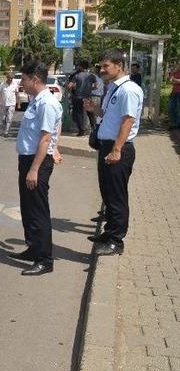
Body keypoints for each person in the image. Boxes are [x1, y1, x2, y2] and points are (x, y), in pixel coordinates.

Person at [84, 49, 144, 256]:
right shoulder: (113, 89)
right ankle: (109, 233)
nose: (101, 70)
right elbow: (110, 115)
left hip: (119, 148)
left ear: (119, 66)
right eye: (101, 66)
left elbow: (128, 120)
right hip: (107, 146)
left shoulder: (129, 90)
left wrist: (117, 149)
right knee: (107, 192)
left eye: (105, 66)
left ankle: (116, 241)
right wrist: (94, 109)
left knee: (117, 196)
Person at [9, 61, 63, 276]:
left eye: (24, 78)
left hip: (36, 162)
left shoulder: (47, 103)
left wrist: (34, 169)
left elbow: (45, 137)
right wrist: (55, 146)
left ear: (35, 79)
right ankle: (33, 249)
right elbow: (54, 130)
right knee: (28, 209)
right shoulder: (36, 101)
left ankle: (44, 259)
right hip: (28, 159)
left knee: (39, 212)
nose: (22, 83)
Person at [68, 60, 96, 136]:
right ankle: (94, 130)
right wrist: (89, 89)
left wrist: (73, 90)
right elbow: (95, 86)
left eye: (78, 65)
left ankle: (81, 131)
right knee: (90, 114)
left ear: (81, 66)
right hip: (87, 97)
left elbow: (69, 86)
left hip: (78, 97)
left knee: (79, 114)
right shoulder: (91, 75)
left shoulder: (76, 76)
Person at [0, 71, 17, 138]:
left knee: (9, 118)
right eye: (9, 78)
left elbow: (17, 94)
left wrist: (18, 103)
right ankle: (6, 127)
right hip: (4, 104)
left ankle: (6, 132)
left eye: (12, 78)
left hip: (12, 104)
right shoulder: (2, 84)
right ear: (7, 77)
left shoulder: (15, 84)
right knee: (3, 118)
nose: (10, 79)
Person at [169, 62, 180, 129]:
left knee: (178, 109)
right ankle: (174, 123)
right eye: (177, 65)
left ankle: (178, 124)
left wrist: (174, 80)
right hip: (174, 92)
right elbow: (170, 80)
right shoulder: (174, 73)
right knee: (172, 108)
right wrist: (176, 80)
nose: (178, 66)